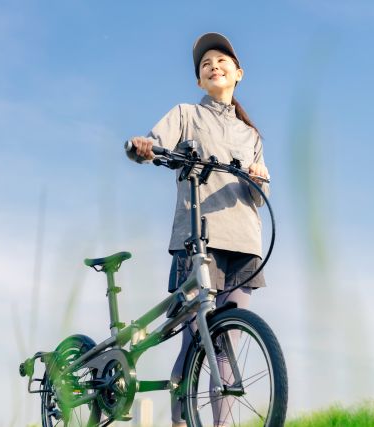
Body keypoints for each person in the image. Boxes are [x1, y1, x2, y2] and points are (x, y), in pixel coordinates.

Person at [128, 32, 270, 427]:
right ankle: (180, 421)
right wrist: (143, 147)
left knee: (226, 349)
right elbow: (155, 144)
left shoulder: (251, 135)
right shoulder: (186, 114)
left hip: (244, 244)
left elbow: (261, 196)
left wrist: (258, 176)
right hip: (199, 240)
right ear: (199, 80)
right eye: (206, 63)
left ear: (238, 73)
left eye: (222, 60)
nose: (214, 66)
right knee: (196, 342)